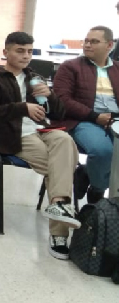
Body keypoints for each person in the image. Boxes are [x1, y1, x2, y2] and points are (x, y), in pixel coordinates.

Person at [0, 31, 81, 259]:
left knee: (65, 140)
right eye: (19, 51)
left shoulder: (34, 77)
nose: (26, 56)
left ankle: (58, 205)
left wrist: (51, 96)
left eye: (29, 52)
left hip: (43, 129)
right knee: (61, 169)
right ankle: (59, 234)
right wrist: (22, 107)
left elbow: (59, 113)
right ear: (6, 52)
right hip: (13, 135)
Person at [52, 25, 119, 204]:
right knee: (103, 151)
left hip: (115, 120)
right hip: (83, 120)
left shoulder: (117, 69)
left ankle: (86, 172)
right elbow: (62, 99)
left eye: (94, 41)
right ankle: (98, 191)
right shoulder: (70, 67)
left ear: (109, 45)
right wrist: (94, 116)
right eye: (87, 41)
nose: (88, 45)